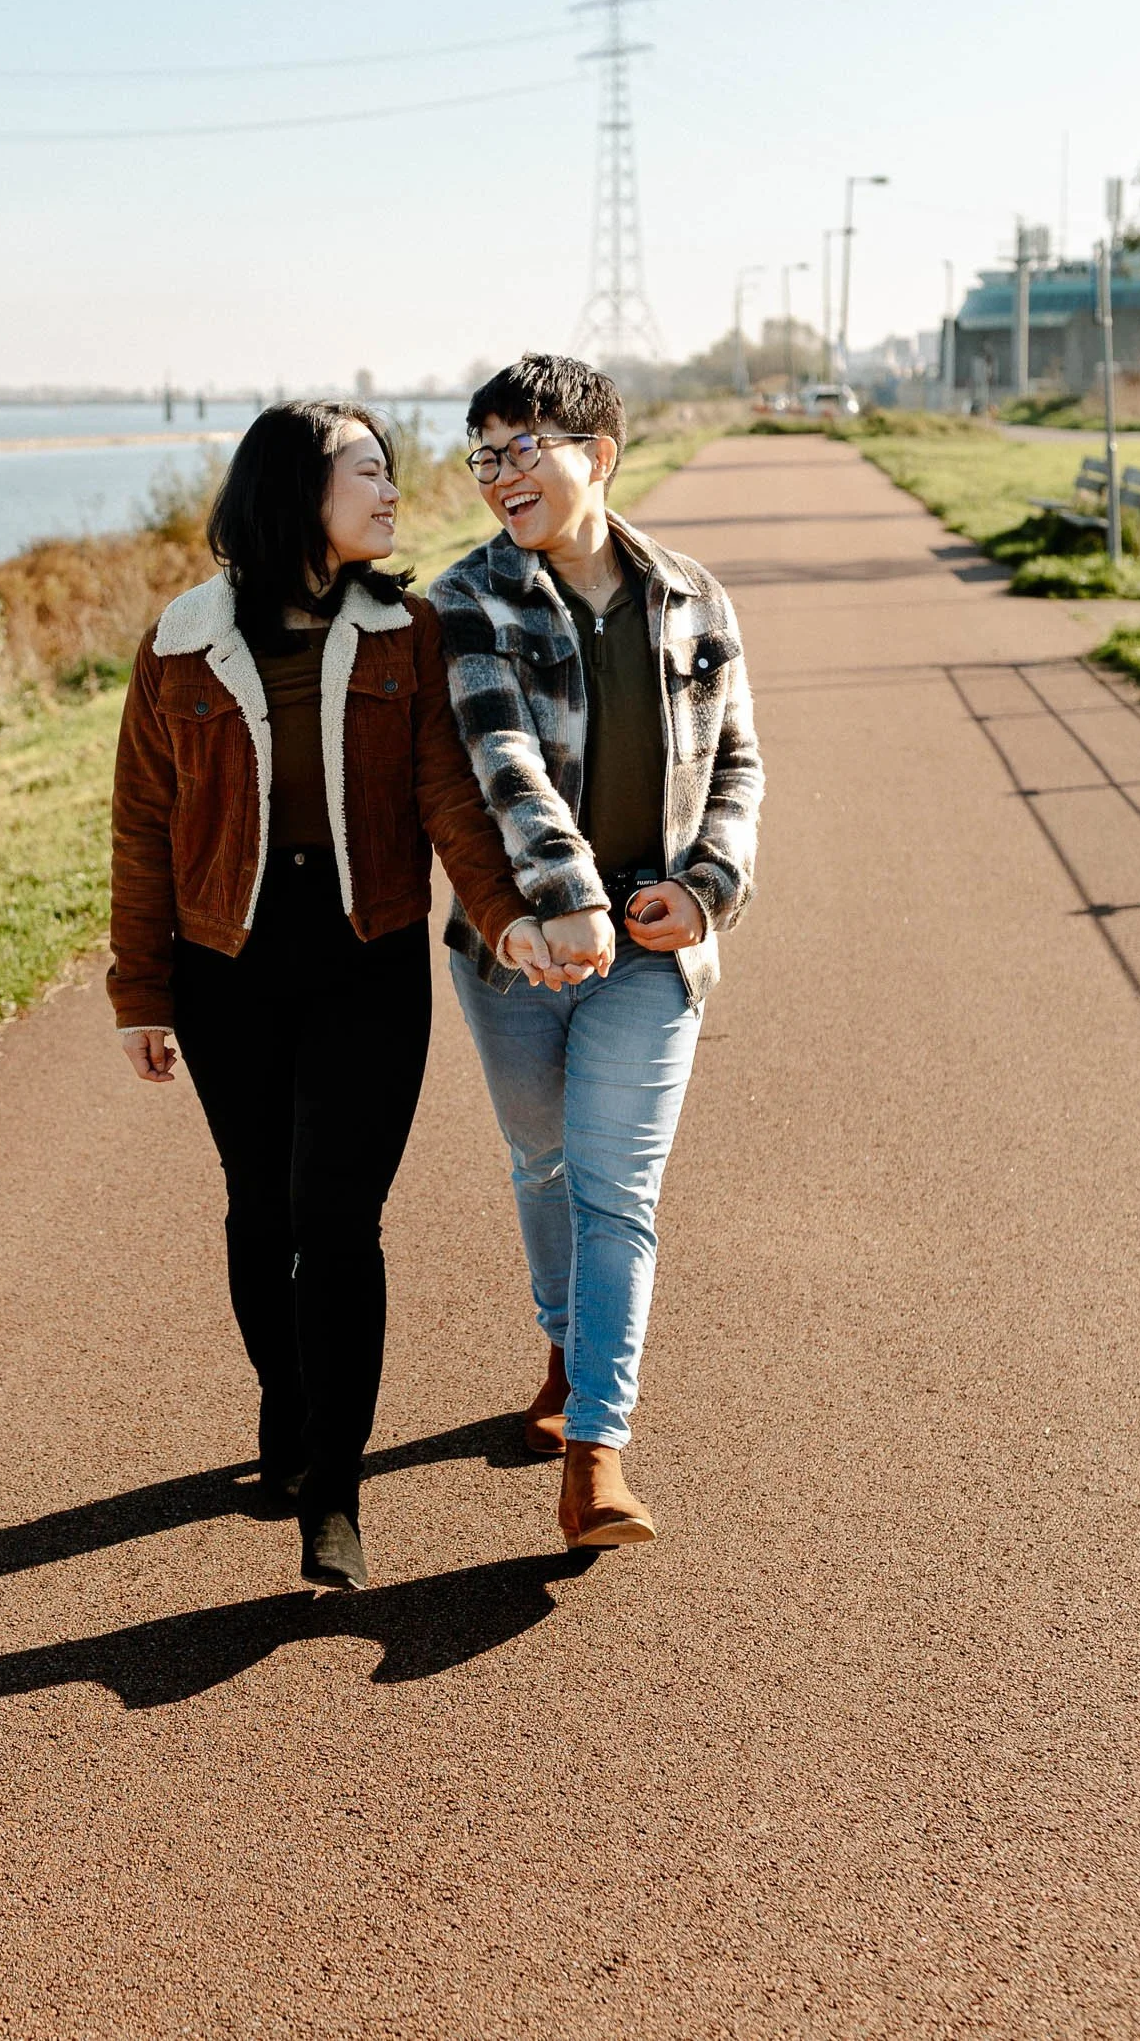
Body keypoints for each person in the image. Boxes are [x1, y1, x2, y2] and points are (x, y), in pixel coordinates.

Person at [108, 401, 553, 1593]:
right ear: (294, 490)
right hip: (225, 966)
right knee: (259, 1212)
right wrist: (139, 989)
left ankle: (335, 1488)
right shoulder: (180, 641)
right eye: (367, 469)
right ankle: (287, 1412)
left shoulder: (408, 630)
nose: (391, 488)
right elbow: (143, 826)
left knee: (335, 1220)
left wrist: (505, 916)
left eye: (388, 469)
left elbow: (446, 795)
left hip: (364, 957)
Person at [430, 354, 764, 1553]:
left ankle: (595, 1454)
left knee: (615, 1187)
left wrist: (707, 888)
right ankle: (565, 1347)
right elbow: (498, 758)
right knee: (539, 1162)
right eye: (482, 454)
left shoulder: (693, 598)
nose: (498, 474)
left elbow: (737, 764)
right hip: (513, 945)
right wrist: (560, 900)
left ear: (597, 455)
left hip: (650, 945)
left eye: (521, 448)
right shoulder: (466, 597)